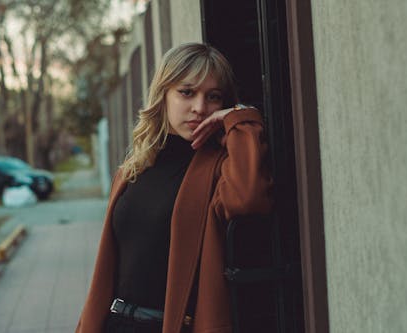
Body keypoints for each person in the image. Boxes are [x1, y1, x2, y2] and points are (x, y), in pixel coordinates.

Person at [76, 42, 273, 333]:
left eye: (213, 97)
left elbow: (248, 198)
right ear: (163, 94)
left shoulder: (216, 168)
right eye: (187, 92)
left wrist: (238, 118)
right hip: (114, 323)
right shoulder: (134, 168)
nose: (199, 108)